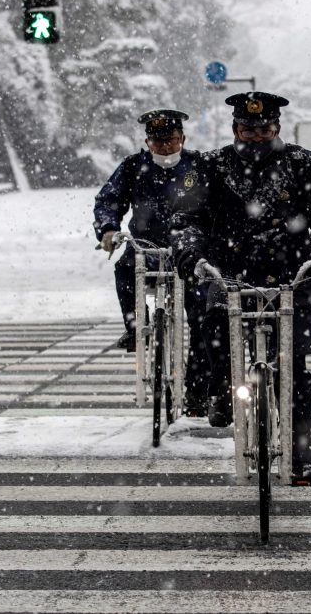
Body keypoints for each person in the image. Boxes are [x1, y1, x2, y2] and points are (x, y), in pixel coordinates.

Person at [170, 91, 311, 485]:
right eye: (248, 130)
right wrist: (192, 256)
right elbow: (187, 219)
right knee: (214, 331)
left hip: (293, 275)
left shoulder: (304, 164)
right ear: (235, 128)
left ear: (277, 128)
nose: (256, 136)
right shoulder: (211, 165)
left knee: (293, 365)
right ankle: (221, 387)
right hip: (230, 272)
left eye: (264, 129)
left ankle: (300, 446)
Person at [93, 109, 210, 416]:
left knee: (203, 320)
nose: (165, 148)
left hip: (190, 250)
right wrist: (107, 229)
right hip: (145, 247)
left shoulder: (199, 165)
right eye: (157, 142)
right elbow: (109, 199)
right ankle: (135, 326)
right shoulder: (133, 166)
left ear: (182, 139)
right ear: (147, 142)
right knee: (123, 270)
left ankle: (197, 392)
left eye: (171, 141)